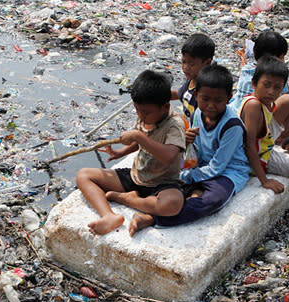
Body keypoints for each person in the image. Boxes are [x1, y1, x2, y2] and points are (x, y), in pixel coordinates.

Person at [110, 64, 251, 235]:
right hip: (201, 166)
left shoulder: (232, 126)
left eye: (218, 100)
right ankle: (153, 204)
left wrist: (186, 175)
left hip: (228, 172)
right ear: (196, 95)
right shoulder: (199, 113)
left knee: (211, 201)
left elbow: (218, 167)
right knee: (179, 190)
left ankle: (151, 217)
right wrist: (188, 145)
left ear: (229, 98)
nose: (211, 105)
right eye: (205, 99)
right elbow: (196, 150)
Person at [75, 70, 186, 235]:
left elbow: (169, 156)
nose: (141, 115)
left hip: (162, 183)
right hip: (137, 176)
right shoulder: (145, 116)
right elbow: (139, 143)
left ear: (165, 107)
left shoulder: (174, 125)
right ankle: (109, 216)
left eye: (146, 112)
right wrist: (121, 152)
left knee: (173, 205)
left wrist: (139, 137)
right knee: (83, 176)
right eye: (137, 110)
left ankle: (127, 199)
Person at [239, 56, 289, 194]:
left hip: (265, 140)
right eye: (266, 85)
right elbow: (249, 146)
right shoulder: (253, 105)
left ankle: (287, 138)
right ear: (254, 83)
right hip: (260, 156)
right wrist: (264, 180)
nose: (271, 92)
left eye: (277, 88)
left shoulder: (264, 103)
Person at [230, 30, 289, 138]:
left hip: (238, 114)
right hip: (258, 124)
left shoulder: (246, 69)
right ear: (280, 57)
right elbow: (282, 101)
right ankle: (282, 136)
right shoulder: (276, 77)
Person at [172, 33, 215, 125]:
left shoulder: (205, 91)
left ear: (207, 63)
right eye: (183, 62)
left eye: (191, 64)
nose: (185, 67)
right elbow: (179, 94)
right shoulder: (191, 80)